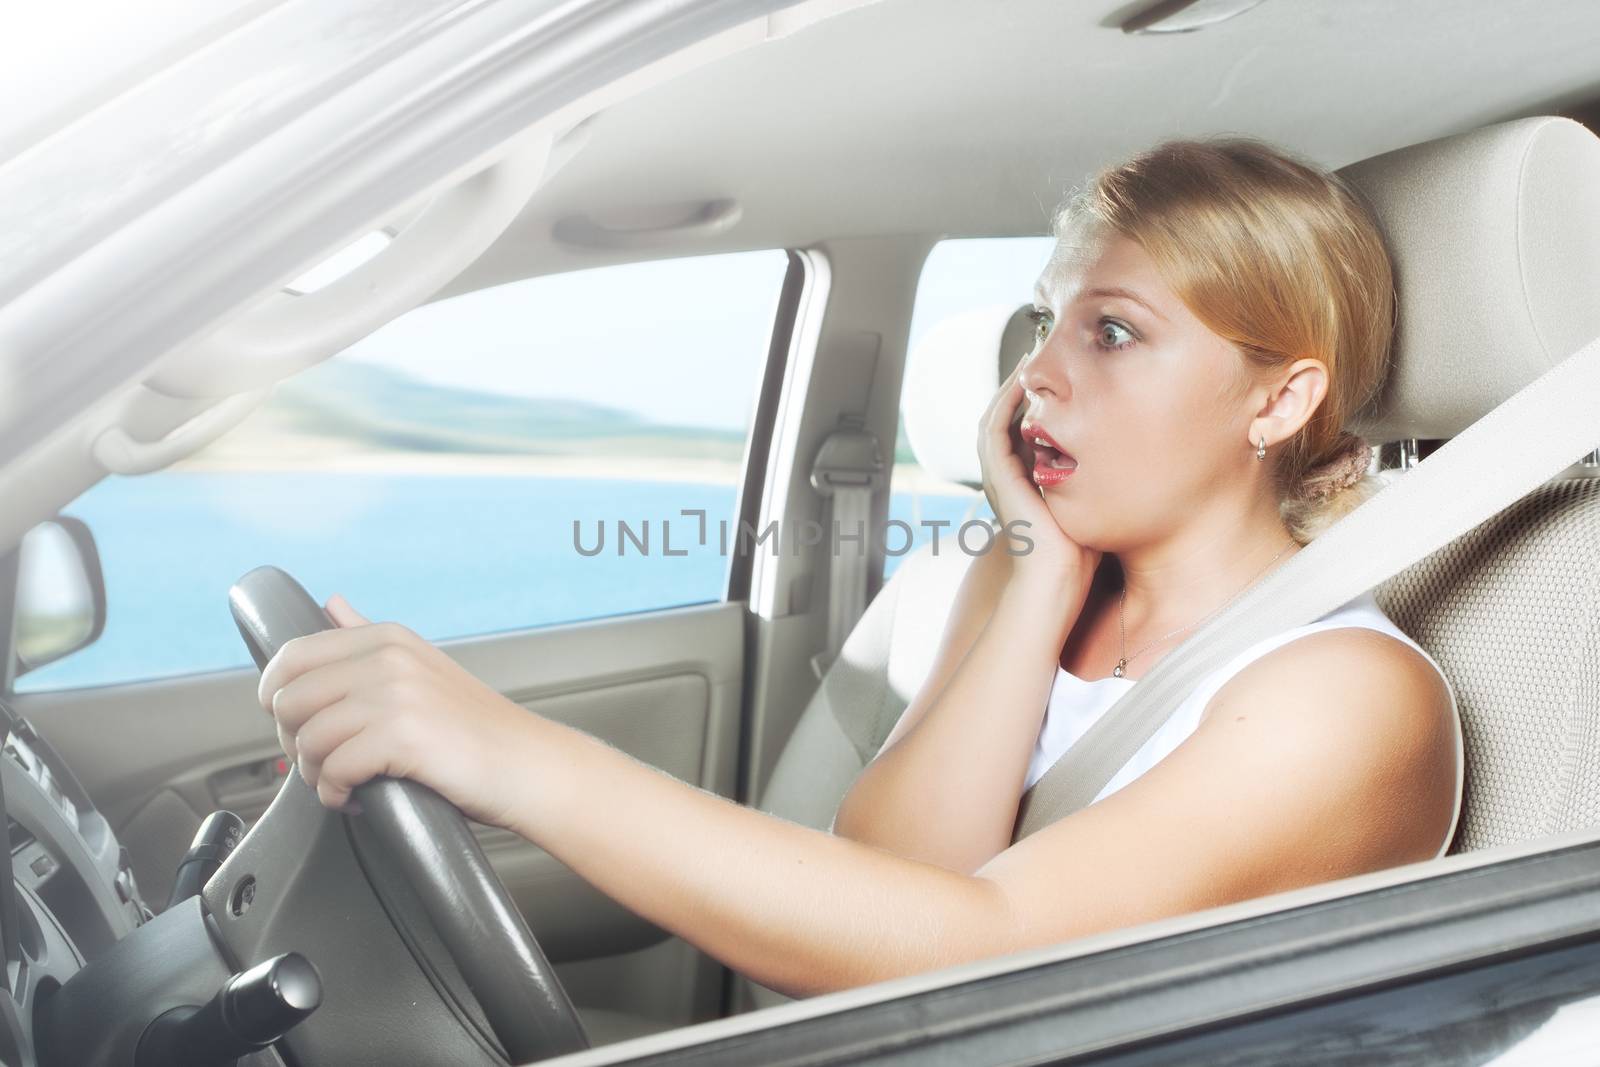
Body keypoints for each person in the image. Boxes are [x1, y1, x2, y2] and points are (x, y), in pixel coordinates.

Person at [258, 136, 1464, 1002]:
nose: (1036, 373)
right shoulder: (1028, 575)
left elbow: (977, 950)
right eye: (1045, 322)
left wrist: (507, 750)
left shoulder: (1342, 696)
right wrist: (1035, 580)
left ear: (1280, 398)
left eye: (1112, 330)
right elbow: (890, 885)